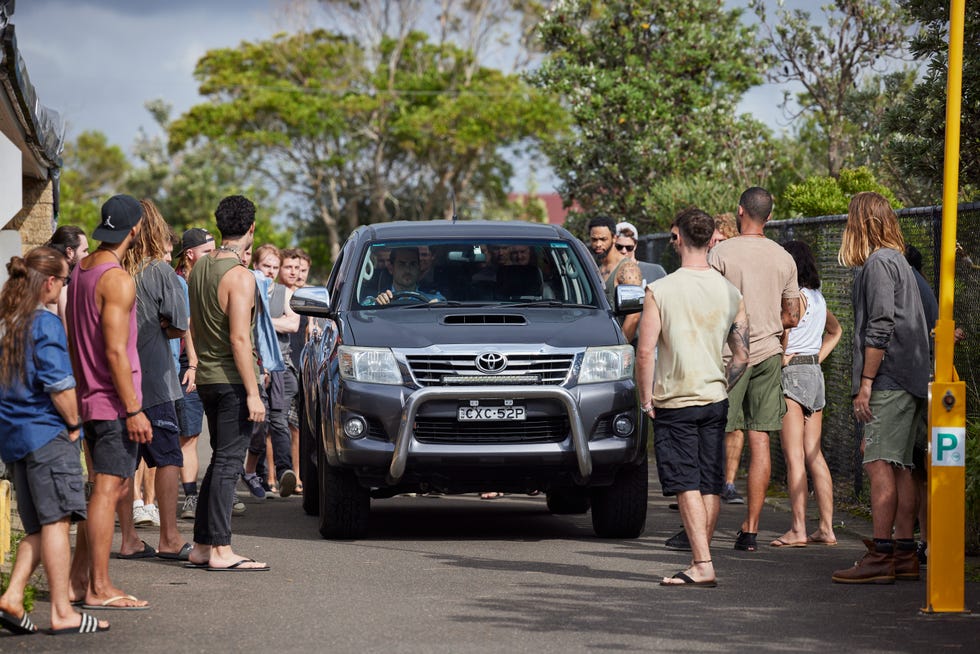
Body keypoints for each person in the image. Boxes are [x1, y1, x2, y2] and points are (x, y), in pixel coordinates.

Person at [636, 208, 749, 587]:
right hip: (714, 396)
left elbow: (645, 350)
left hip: (676, 399)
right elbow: (743, 354)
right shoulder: (729, 290)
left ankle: (702, 563)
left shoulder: (661, 290)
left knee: (686, 482)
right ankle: (703, 558)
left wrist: (646, 399)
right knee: (710, 481)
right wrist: (722, 383)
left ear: (679, 238)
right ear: (710, 238)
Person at [0, 247, 109, 635]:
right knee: (58, 523)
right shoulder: (44, 323)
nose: (64, 286)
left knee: (37, 528)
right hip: (47, 434)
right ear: (49, 282)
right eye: (63, 280)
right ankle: (63, 611)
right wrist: (76, 424)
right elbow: (60, 384)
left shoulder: (7, 321)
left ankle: (12, 597)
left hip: (14, 438)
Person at [832, 192, 931, 584]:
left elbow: (881, 325)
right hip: (913, 377)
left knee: (878, 464)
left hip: (888, 380)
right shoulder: (901, 262)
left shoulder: (877, 263)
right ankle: (904, 552)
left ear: (861, 223)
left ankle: (880, 555)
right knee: (903, 466)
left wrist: (866, 384)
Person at [66, 194, 151, 610]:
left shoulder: (81, 271)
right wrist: (133, 409)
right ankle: (99, 587)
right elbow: (116, 351)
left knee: (100, 491)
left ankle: (79, 580)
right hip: (113, 404)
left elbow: (73, 339)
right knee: (107, 491)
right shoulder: (116, 278)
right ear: (134, 231)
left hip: (90, 399)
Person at [706, 187, 800, 552]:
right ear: (770, 218)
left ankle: (704, 529)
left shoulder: (720, 253)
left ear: (739, 211)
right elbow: (793, 315)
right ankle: (750, 531)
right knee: (760, 439)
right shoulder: (784, 258)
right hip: (770, 353)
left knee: (715, 436)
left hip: (729, 358)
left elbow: (709, 306)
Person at [185, 195, 269, 571]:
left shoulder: (199, 268)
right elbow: (239, 339)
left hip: (206, 379)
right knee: (227, 464)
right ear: (251, 228)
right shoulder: (240, 275)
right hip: (232, 381)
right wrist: (253, 393)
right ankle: (220, 549)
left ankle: (202, 546)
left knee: (220, 461)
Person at [114, 199, 191, 561]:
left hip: (116, 381)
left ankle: (128, 537)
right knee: (168, 456)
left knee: (123, 464)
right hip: (154, 381)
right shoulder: (158, 271)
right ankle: (170, 537)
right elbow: (179, 322)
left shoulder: (111, 270)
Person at [769, 240, 842, 548]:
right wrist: (815, 357)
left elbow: (787, 329)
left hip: (793, 375)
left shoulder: (793, 296)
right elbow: (835, 331)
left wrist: (785, 357)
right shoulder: (818, 297)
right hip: (814, 373)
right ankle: (826, 527)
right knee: (814, 453)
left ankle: (798, 528)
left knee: (794, 455)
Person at [243, 243, 298, 499]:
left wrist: (264, 321)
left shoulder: (283, 293)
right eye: (266, 266)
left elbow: (293, 323)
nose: (271, 272)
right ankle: (252, 470)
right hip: (255, 366)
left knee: (279, 421)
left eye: (275, 267)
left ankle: (286, 471)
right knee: (259, 422)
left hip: (281, 367)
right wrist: (277, 322)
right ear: (256, 265)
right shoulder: (248, 288)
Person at [173, 228, 215, 519]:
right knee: (187, 436)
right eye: (207, 252)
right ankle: (190, 496)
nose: (213, 257)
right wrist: (193, 365)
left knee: (219, 435)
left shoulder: (213, 278)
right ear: (190, 254)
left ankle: (218, 493)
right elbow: (186, 325)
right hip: (185, 364)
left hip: (212, 362)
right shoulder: (177, 281)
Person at [587, 215, 643, 341]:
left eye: (603, 239)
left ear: (614, 238)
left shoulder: (627, 269)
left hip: (621, 349)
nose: (598, 244)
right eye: (594, 239)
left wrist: (620, 347)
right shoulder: (597, 269)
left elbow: (633, 317)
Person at [44, 225, 89, 330]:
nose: (88, 255)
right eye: (85, 251)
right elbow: (68, 331)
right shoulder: (61, 285)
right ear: (70, 252)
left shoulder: (47, 272)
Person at [368, 247, 444, 305]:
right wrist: (376, 304)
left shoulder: (432, 296)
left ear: (419, 268)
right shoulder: (377, 296)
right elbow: (364, 309)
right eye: (402, 264)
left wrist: (438, 307)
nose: (408, 270)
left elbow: (445, 305)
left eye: (413, 264)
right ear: (391, 268)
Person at [615, 221, 667, 286]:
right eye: (619, 247)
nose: (624, 251)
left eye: (629, 247)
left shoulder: (656, 272)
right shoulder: (606, 273)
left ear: (635, 246)